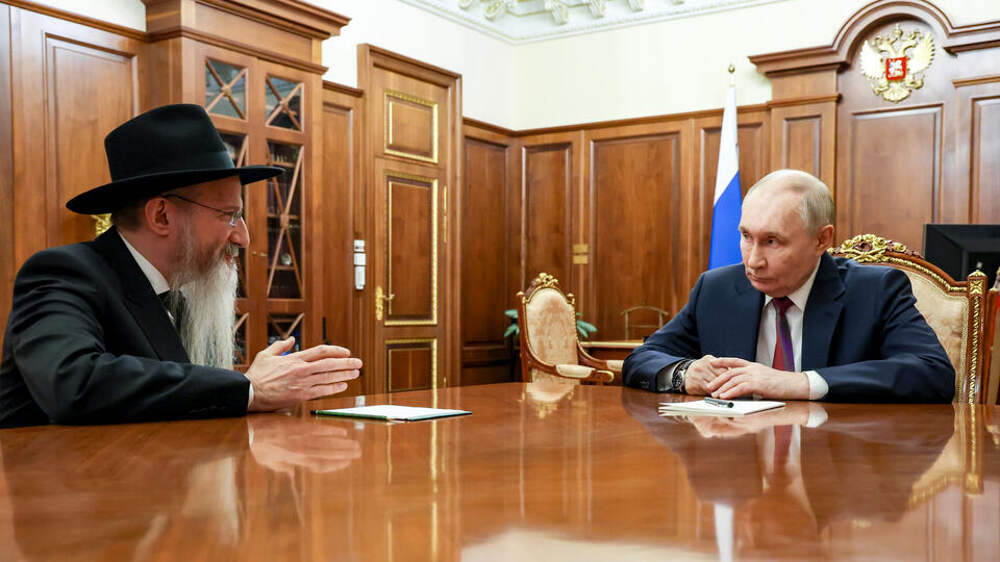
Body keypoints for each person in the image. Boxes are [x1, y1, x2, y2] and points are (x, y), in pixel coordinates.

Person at [0, 104, 361, 427]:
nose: (243, 238)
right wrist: (248, 389)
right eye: (228, 215)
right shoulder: (64, 273)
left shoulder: (179, 295)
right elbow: (73, 382)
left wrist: (253, 387)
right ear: (161, 215)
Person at [623, 169, 954, 402]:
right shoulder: (717, 289)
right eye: (746, 236)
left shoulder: (875, 290)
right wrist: (685, 373)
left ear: (821, 239)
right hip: (737, 461)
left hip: (836, 464)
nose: (753, 261)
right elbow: (642, 358)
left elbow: (932, 373)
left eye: (772, 241)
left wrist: (800, 383)